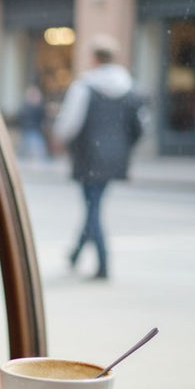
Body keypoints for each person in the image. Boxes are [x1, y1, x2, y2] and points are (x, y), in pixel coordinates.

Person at [52, 34, 144, 280]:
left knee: (93, 208)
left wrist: (60, 139)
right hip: (115, 159)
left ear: (94, 58)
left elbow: (69, 123)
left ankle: (103, 263)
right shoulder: (129, 88)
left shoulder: (85, 86)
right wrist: (122, 148)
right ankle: (76, 253)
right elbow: (138, 128)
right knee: (94, 205)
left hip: (89, 156)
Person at [16, 83, 48, 162]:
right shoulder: (27, 105)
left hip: (35, 130)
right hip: (28, 130)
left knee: (36, 153)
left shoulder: (37, 106)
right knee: (27, 152)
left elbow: (42, 116)